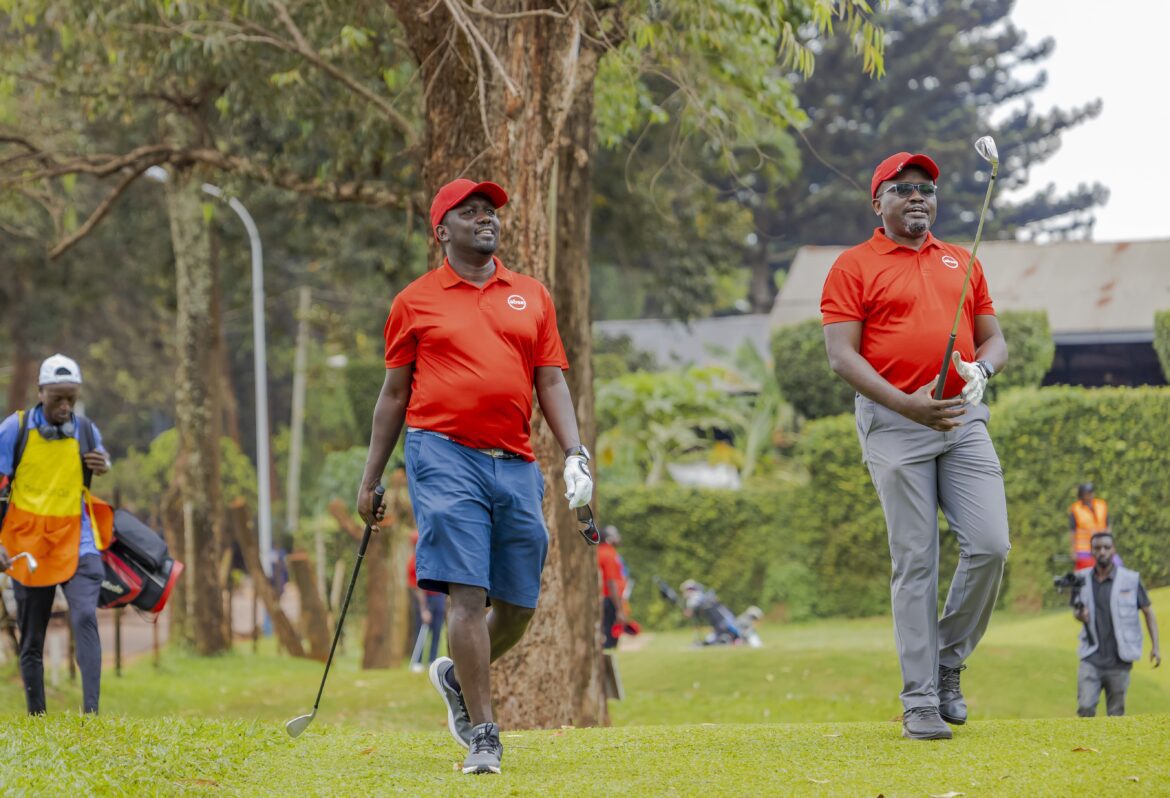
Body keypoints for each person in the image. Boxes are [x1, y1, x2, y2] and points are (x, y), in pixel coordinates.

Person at [355, 178, 593, 776]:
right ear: (443, 231)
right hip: (442, 453)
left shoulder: (531, 295)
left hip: (514, 459)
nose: (486, 219)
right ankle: (485, 736)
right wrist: (371, 478)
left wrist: (575, 453)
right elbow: (392, 394)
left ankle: (454, 676)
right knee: (466, 592)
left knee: (517, 603)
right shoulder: (415, 300)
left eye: (490, 212)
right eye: (471, 213)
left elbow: (552, 380)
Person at [821, 151, 1011, 741]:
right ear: (878, 202)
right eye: (902, 189)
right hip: (895, 423)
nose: (918, 197)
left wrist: (983, 371)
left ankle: (947, 661)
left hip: (961, 417)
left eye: (926, 187)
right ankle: (920, 700)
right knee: (916, 561)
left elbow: (994, 338)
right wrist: (907, 405)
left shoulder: (962, 259)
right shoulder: (853, 266)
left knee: (990, 546)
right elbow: (841, 356)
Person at [0, 354, 113, 715]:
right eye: (57, 399)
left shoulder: (85, 430)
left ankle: (91, 714)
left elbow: (102, 456)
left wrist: (104, 463)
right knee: (33, 637)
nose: (65, 406)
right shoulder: (14, 430)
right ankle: (37, 716)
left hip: (77, 541)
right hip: (28, 545)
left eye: (71, 398)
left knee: (84, 616)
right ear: (40, 393)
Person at [1073, 532, 1160, 717]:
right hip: (1091, 658)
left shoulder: (1131, 580)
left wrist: (1155, 647)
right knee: (1085, 709)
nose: (1102, 551)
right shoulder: (1081, 579)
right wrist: (1080, 615)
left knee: (1115, 714)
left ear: (1114, 550)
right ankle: (1084, 746)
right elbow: (1076, 610)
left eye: (1106, 547)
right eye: (1097, 548)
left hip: (1119, 661)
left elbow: (1148, 612)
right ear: (1091, 551)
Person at [407, 529, 446, 673]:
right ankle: (417, 662)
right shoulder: (413, 562)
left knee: (437, 630)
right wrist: (423, 609)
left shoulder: (435, 557)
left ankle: (432, 661)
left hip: (439, 596)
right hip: (424, 598)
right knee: (421, 629)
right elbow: (417, 588)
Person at [597, 525, 627, 649]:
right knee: (610, 641)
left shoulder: (600, 551)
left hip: (607, 598)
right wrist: (619, 608)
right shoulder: (608, 554)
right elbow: (611, 582)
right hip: (609, 599)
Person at [1069, 483, 1109, 571]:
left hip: (1101, 547)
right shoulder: (1076, 509)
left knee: (1117, 565)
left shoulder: (1101, 505)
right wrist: (1073, 551)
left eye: (1091, 492)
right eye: (1086, 493)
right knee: (1084, 574)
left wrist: (1110, 545)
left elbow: (1107, 527)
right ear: (1081, 495)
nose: (1090, 496)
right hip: (1084, 550)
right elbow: (1072, 531)